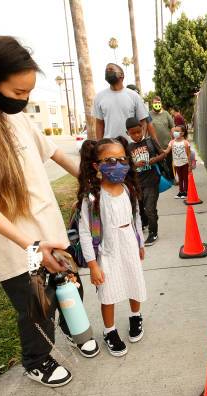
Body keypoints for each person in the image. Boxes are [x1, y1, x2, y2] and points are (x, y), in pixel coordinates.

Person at [0, 36, 99, 388]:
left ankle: (76, 331)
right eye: (17, 93)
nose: (23, 100)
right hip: (15, 243)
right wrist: (33, 247)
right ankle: (36, 360)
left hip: (49, 229)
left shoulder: (17, 118)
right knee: (37, 306)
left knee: (69, 286)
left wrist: (93, 179)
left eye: (27, 93)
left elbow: (55, 154)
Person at [77, 137, 147, 357]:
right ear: (97, 165)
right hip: (107, 252)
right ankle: (110, 330)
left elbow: (136, 218)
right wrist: (92, 265)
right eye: (109, 160)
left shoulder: (128, 190)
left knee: (134, 282)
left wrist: (140, 244)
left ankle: (136, 317)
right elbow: (85, 233)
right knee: (108, 293)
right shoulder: (92, 197)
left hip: (128, 245)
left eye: (121, 159)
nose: (117, 164)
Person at [127, 117, 167, 246]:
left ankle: (153, 233)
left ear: (142, 129)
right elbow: (126, 165)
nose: (137, 135)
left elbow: (163, 154)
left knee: (149, 208)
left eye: (139, 132)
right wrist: (135, 165)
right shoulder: (128, 147)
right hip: (137, 183)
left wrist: (154, 160)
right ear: (128, 133)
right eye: (133, 133)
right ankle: (148, 220)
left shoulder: (150, 142)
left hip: (152, 180)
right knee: (141, 208)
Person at [93, 64, 149, 141]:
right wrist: (99, 145)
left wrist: (141, 140)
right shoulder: (99, 97)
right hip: (110, 147)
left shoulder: (133, 96)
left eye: (111, 70)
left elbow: (143, 121)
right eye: (106, 70)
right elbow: (99, 123)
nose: (107, 71)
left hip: (131, 146)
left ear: (121, 75)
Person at [167, 125, 191, 199]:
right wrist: (160, 151)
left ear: (182, 133)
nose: (175, 133)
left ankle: (186, 192)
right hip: (176, 163)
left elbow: (188, 154)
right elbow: (167, 151)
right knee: (180, 178)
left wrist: (190, 165)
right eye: (175, 131)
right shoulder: (171, 142)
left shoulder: (186, 143)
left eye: (177, 131)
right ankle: (181, 192)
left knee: (185, 178)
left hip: (185, 163)